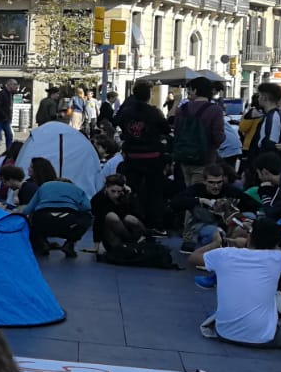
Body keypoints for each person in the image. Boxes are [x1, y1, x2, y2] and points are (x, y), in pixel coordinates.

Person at [191, 220, 281, 347]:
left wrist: (216, 243)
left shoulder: (225, 254)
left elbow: (194, 257)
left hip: (224, 333)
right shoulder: (278, 257)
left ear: (249, 237)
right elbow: (275, 247)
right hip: (264, 338)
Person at [115, 81, 171, 232]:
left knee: (131, 190)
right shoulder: (154, 112)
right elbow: (165, 129)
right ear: (149, 95)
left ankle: (131, 220)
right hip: (152, 156)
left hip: (132, 155)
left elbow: (118, 123)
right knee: (155, 192)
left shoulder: (126, 112)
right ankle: (156, 224)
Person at [168, 163, 261, 252]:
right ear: (204, 181)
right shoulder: (197, 190)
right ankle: (214, 243)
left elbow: (253, 205)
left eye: (219, 182)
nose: (216, 186)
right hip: (204, 225)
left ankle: (229, 243)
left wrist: (242, 218)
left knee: (250, 216)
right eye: (211, 182)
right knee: (216, 233)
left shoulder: (229, 190)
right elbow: (175, 203)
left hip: (227, 224)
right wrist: (201, 200)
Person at [171, 77, 225, 188]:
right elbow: (218, 136)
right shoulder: (215, 110)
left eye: (189, 90)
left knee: (188, 189)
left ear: (195, 90)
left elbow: (176, 131)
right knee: (200, 191)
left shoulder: (182, 109)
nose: (188, 93)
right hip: (205, 158)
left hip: (184, 157)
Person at [23, 176, 91, 258]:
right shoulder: (77, 189)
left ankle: (42, 243)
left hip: (43, 219)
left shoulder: (45, 186)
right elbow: (87, 207)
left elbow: (27, 209)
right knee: (87, 217)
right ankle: (70, 243)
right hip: (68, 221)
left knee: (33, 216)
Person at [91, 174, 148, 251]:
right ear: (106, 188)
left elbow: (140, 215)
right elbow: (98, 221)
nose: (116, 195)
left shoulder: (126, 195)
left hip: (128, 230)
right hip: (110, 232)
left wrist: (130, 196)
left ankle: (139, 241)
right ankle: (130, 244)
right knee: (111, 216)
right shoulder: (98, 199)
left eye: (119, 191)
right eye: (113, 191)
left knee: (129, 218)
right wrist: (96, 245)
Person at [0, 80, 17, 158]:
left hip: (5, 119)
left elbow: (9, 107)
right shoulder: (1, 94)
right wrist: (4, 115)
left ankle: (9, 152)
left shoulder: (10, 94)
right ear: (9, 85)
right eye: (14, 85)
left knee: (9, 135)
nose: (16, 86)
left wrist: (8, 117)